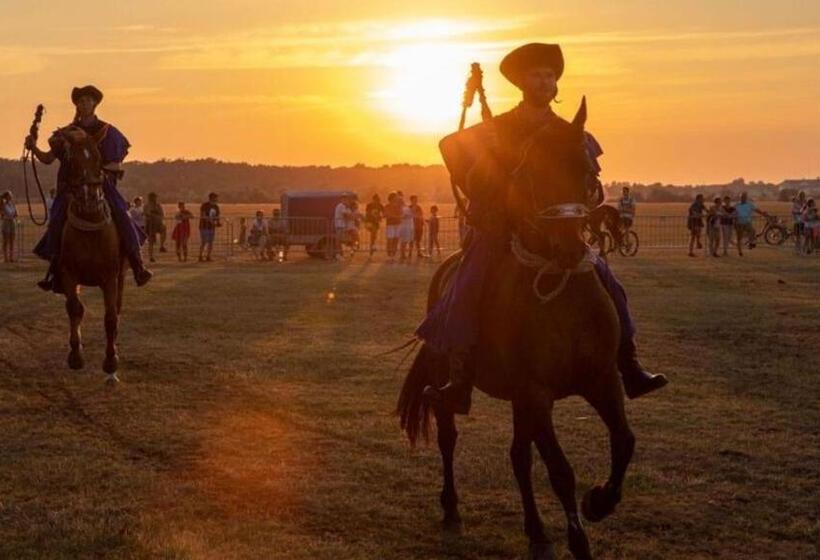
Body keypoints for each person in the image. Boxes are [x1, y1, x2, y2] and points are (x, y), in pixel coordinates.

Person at [418, 43, 667, 414]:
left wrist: (591, 200)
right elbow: (451, 147)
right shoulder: (497, 128)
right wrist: (480, 178)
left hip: (561, 232)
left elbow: (589, 184)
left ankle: (629, 364)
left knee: (610, 282)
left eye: (550, 75)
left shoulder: (572, 134)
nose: (545, 81)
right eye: (537, 74)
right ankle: (460, 376)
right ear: (522, 82)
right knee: (468, 283)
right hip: (504, 230)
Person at [27, 85, 151, 292]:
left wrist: (97, 171)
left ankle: (137, 263)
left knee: (121, 212)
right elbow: (48, 159)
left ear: (94, 104)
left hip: (99, 185)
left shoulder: (108, 132)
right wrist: (34, 148)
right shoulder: (65, 134)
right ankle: (55, 269)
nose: (83, 104)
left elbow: (116, 165)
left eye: (87, 100)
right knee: (57, 217)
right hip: (70, 188)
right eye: (80, 101)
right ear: (77, 105)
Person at [734, 191, 768, 256]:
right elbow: (732, 211)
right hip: (739, 223)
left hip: (747, 222)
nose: (743, 198)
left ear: (746, 198)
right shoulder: (736, 205)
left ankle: (751, 243)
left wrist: (763, 213)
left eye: (744, 197)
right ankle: (740, 251)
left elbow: (756, 210)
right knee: (739, 238)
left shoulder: (749, 204)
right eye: (742, 197)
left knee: (752, 231)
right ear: (740, 197)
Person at [144, 192, 167, 262]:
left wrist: (155, 215)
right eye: (153, 197)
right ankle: (151, 256)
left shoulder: (158, 205)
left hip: (158, 223)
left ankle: (162, 246)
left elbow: (162, 215)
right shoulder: (146, 206)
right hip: (150, 225)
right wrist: (152, 215)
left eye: (155, 197)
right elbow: (146, 214)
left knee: (164, 229)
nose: (154, 199)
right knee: (151, 242)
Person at [199, 192, 220, 262]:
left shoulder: (216, 207)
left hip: (211, 227)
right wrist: (211, 221)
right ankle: (200, 256)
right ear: (212, 198)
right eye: (215, 198)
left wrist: (218, 223)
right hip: (204, 226)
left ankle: (208, 256)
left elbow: (217, 217)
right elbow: (203, 215)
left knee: (211, 242)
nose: (217, 199)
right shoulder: (205, 205)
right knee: (204, 242)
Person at [384, 192, 402, 262]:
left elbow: (401, 214)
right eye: (396, 197)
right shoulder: (387, 206)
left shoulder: (398, 206)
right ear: (391, 198)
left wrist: (393, 215)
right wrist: (395, 216)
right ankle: (389, 255)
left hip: (397, 224)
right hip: (390, 225)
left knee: (396, 240)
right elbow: (386, 215)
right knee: (390, 240)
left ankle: (393, 255)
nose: (397, 198)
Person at [333, 195, 352, 259]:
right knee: (339, 240)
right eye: (345, 200)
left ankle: (340, 254)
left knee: (340, 240)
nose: (347, 201)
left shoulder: (342, 206)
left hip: (340, 224)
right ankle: (338, 254)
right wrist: (352, 215)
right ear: (342, 200)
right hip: (339, 225)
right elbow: (345, 214)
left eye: (347, 200)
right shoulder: (342, 206)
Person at [1, 191, 18, 263]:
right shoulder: (3, 205)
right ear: (6, 197)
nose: (11, 197)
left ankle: (11, 257)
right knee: (6, 240)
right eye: (9, 195)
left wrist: (14, 214)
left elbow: (15, 213)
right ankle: (5, 257)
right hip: (6, 222)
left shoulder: (12, 204)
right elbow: (9, 213)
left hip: (12, 222)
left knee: (12, 240)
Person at [398, 194, 414, 262]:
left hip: (408, 225)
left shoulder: (406, 208)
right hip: (404, 226)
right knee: (403, 241)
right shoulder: (400, 208)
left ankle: (404, 254)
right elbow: (400, 216)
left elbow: (411, 215)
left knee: (406, 240)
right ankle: (402, 254)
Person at [409, 195, 425, 259]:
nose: (416, 201)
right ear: (411, 200)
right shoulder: (409, 207)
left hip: (419, 226)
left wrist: (421, 221)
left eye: (416, 199)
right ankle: (410, 253)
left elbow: (420, 215)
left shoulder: (419, 207)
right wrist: (416, 215)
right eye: (414, 199)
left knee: (418, 240)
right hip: (412, 226)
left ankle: (419, 253)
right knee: (411, 240)